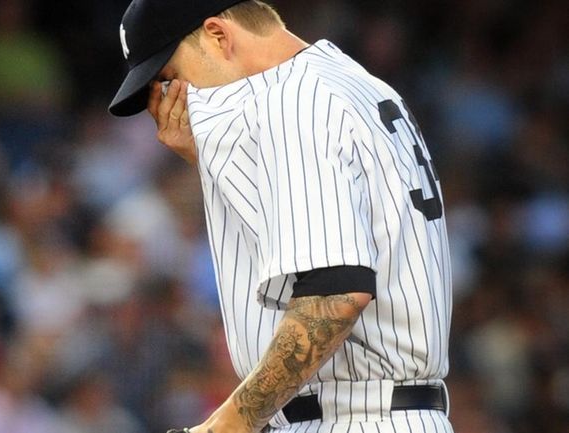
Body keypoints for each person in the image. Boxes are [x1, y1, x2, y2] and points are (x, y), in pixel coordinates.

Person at [109, 1, 453, 432]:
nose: (173, 100)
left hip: (351, 416)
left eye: (171, 78)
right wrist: (207, 161)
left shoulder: (291, 102)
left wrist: (227, 425)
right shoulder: (351, 82)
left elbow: (335, 297)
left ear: (219, 35)